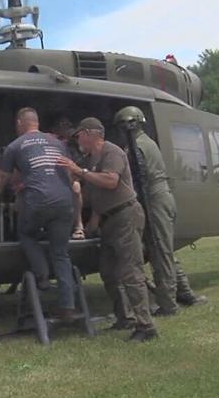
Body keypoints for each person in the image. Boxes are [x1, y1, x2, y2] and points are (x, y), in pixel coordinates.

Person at [57, 118, 158, 342]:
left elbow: (111, 182)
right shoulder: (91, 159)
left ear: (91, 134)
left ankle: (146, 326)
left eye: (79, 135)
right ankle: (126, 317)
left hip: (125, 216)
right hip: (108, 220)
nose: (78, 139)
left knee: (130, 272)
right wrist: (90, 226)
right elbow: (97, 198)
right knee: (108, 272)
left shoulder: (111, 152)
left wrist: (79, 171)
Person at [113, 106, 207, 316]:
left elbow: (140, 180)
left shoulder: (135, 147)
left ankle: (168, 304)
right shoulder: (147, 142)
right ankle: (184, 293)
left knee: (160, 251)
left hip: (153, 198)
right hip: (162, 195)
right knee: (165, 249)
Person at [0, 108, 76, 321]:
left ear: (19, 123)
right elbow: (70, 172)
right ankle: (68, 306)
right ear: (36, 123)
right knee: (61, 252)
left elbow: (1, 178)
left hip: (39, 201)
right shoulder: (58, 143)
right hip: (64, 201)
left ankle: (41, 274)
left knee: (27, 234)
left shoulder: (15, 146)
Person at [49, 115, 86, 240]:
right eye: (63, 125)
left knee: (76, 188)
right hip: (49, 178)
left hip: (72, 179)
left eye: (69, 125)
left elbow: (80, 165)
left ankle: (78, 226)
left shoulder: (75, 146)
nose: (67, 129)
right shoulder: (48, 142)